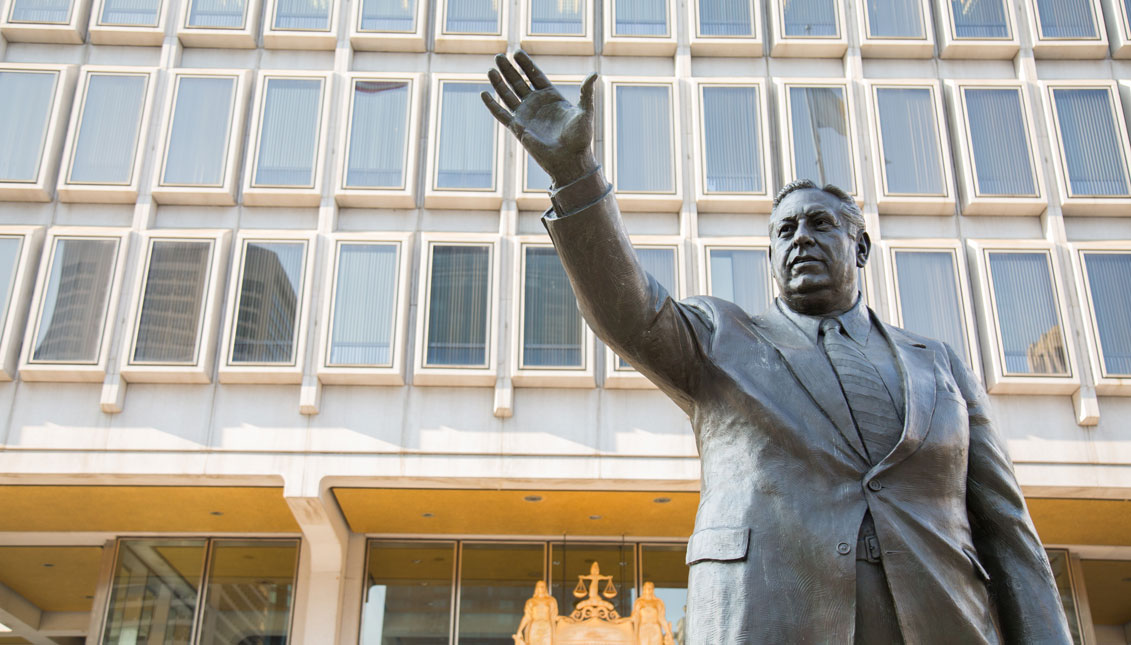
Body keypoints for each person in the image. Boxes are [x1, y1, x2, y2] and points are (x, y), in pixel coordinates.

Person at [482, 51, 1073, 644]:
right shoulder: (720, 339)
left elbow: (1008, 532)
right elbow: (631, 314)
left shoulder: (939, 366)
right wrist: (576, 175)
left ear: (860, 248)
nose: (801, 240)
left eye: (820, 225)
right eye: (785, 231)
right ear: (770, 257)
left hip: (940, 622)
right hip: (772, 618)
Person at [513, 580, 557, 645]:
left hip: (547, 628)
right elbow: (527, 617)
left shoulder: (551, 601)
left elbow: (554, 617)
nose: (541, 588)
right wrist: (519, 630)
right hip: (534, 628)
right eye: (539, 586)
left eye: (543, 586)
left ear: (546, 588)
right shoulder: (531, 601)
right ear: (536, 588)